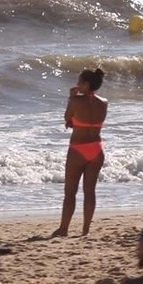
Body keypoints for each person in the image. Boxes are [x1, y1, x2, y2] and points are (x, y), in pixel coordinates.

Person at [55, 67, 108, 238]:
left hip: (78, 148)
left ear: (86, 84)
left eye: (79, 82)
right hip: (97, 148)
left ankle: (64, 228)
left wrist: (71, 97)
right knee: (89, 191)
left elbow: (67, 118)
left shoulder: (76, 101)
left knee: (70, 192)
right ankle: (85, 229)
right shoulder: (104, 102)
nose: (77, 84)